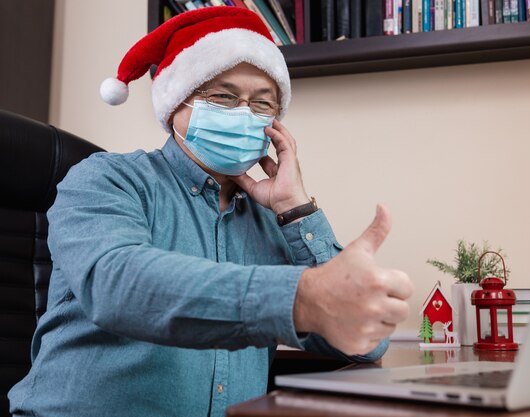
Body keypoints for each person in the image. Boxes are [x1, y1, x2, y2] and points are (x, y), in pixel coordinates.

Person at [9, 7, 413, 417]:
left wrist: (295, 208)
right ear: (174, 105)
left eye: (262, 104)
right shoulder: (106, 178)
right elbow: (117, 283)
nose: (243, 113)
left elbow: (364, 344)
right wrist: (301, 299)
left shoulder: (271, 222)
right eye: (222, 96)